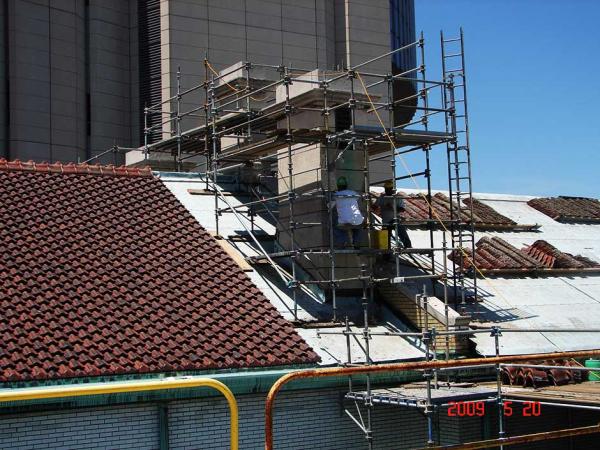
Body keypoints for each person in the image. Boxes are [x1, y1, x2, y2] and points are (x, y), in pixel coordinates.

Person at [374, 180, 412, 249]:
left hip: (395, 219)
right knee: (385, 239)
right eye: (386, 189)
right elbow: (374, 206)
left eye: (389, 189)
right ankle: (386, 255)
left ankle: (408, 246)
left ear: (393, 189)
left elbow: (402, 209)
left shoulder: (397, 197)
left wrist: (392, 208)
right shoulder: (382, 197)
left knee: (401, 231)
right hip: (385, 221)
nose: (387, 191)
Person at [330, 176, 364, 248]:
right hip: (358, 220)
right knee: (357, 227)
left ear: (338, 186)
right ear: (346, 185)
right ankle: (356, 243)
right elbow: (356, 199)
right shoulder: (353, 193)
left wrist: (330, 197)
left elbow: (329, 206)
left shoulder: (336, 195)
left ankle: (343, 242)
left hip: (344, 221)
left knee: (334, 226)